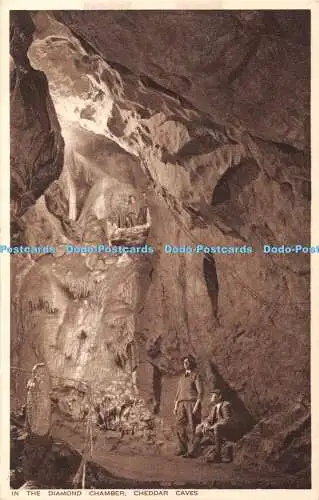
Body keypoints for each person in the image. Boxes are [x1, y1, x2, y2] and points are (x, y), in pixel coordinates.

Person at [187, 388, 235, 462]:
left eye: (213, 396)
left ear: (219, 397)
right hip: (217, 428)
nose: (211, 398)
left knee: (216, 427)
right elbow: (208, 419)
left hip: (226, 429)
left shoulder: (225, 405)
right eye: (212, 396)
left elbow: (227, 420)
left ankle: (218, 455)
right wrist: (205, 424)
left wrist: (211, 427)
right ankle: (194, 451)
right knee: (199, 427)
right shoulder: (214, 407)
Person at [173, 355, 203, 456]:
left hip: (192, 403)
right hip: (181, 404)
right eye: (184, 362)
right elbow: (178, 394)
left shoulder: (195, 375)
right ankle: (182, 448)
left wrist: (196, 405)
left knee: (193, 426)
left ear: (191, 364)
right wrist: (176, 406)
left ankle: (193, 451)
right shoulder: (181, 378)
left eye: (187, 362)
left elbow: (200, 392)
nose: (185, 364)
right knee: (179, 425)